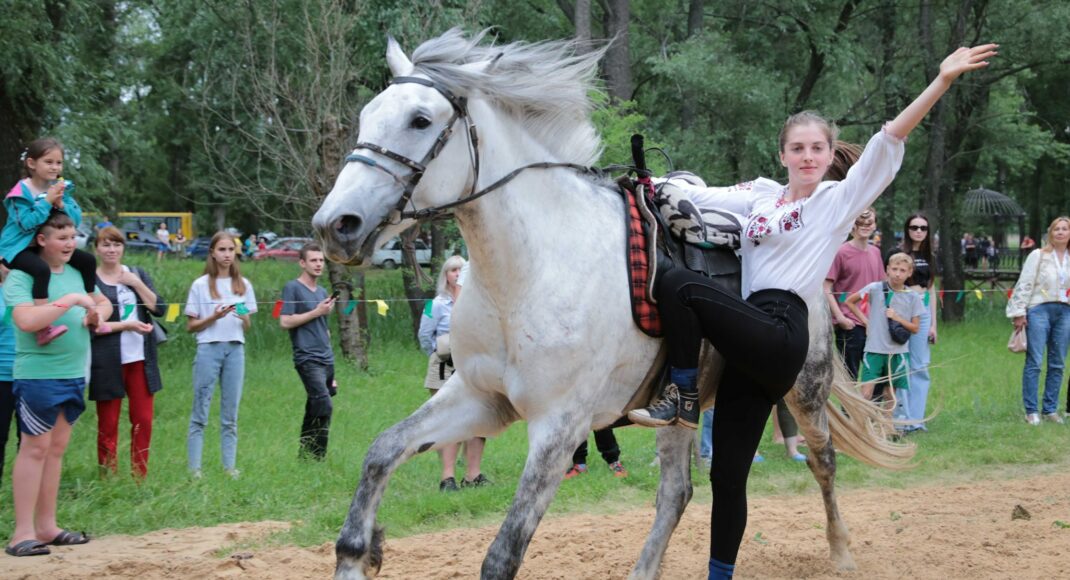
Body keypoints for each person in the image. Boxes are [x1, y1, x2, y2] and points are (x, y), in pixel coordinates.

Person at [628, 44, 997, 578]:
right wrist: (647, 185)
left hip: (783, 330)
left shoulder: (835, 202)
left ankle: (682, 394)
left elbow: (889, 138)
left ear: (828, 156)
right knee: (727, 477)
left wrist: (940, 81)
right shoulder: (758, 196)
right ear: (782, 155)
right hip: (747, 338)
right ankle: (720, 574)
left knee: (680, 285)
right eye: (797, 148)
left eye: (817, 148)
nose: (807, 156)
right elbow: (698, 195)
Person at [4, 211, 112, 556]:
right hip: (38, 375)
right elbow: (25, 319)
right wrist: (70, 301)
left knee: (55, 450)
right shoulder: (22, 276)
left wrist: (97, 313)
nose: (69, 244)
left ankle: (47, 527)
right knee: (34, 448)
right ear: (42, 240)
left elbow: (103, 301)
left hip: (73, 372)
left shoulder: (80, 270)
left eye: (72, 237)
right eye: (61, 238)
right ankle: (21, 534)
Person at [0, 138, 98, 346]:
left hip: (45, 245)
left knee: (88, 261)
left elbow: (75, 221)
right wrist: (46, 201)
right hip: (18, 248)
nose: (55, 167)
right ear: (32, 164)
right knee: (41, 270)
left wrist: (61, 205)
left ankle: (94, 309)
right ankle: (43, 328)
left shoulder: (61, 187)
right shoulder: (19, 193)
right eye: (49, 162)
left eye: (59, 162)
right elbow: (26, 224)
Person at [90, 227, 167, 479]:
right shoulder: (90, 280)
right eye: (106, 245)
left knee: (142, 419)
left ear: (123, 248)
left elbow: (159, 309)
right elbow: (92, 325)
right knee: (108, 422)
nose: (112, 250)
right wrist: (127, 325)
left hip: (141, 358)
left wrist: (135, 283)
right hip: (108, 360)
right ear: (97, 249)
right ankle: (108, 476)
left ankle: (139, 476)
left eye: (116, 245)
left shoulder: (137, 274)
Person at [184, 232, 257, 478]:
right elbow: (191, 325)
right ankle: (195, 468)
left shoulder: (242, 285)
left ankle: (229, 467)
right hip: (209, 348)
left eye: (230, 250)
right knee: (200, 411)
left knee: (230, 413)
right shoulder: (200, 285)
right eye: (222, 249)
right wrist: (214, 317)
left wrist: (242, 316)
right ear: (213, 253)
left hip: (235, 349)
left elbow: (247, 324)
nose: (227, 255)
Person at [419, 255, 488, 491]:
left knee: (478, 420)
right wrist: (440, 352)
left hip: (472, 364)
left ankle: (473, 474)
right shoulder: (434, 303)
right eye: (452, 270)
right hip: (444, 365)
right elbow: (423, 334)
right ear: (445, 275)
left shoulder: (478, 302)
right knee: (449, 419)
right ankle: (446, 477)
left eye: (460, 269)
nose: (457, 274)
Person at [1006, 216, 1070, 425]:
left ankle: (1050, 409)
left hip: (1065, 311)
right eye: (1056, 229)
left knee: (1058, 363)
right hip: (1039, 309)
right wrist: (1018, 312)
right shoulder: (1039, 255)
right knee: (1035, 361)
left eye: (1064, 229)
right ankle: (1031, 410)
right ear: (1050, 233)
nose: (1060, 232)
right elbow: (1025, 283)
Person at [846, 253, 924, 420]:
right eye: (894, 269)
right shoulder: (875, 288)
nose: (897, 273)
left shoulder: (913, 297)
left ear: (909, 273)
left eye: (902, 270)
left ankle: (887, 429)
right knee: (866, 392)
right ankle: (861, 427)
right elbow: (850, 301)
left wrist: (898, 319)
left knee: (890, 394)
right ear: (887, 269)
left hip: (898, 352)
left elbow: (915, 328)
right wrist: (866, 322)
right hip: (874, 349)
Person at [280, 243, 338, 459]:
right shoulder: (292, 288)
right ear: (302, 263)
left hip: (326, 358)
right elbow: (285, 321)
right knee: (324, 404)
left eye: (321, 260)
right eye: (313, 260)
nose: (318, 264)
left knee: (316, 404)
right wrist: (316, 311)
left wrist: (333, 371)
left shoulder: (322, 291)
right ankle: (318, 456)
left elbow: (325, 329)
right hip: (307, 357)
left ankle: (305, 454)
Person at [824, 208, 885, 378]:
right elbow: (826, 288)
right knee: (850, 376)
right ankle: (848, 407)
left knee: (876, 376)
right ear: (852, 224)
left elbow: (881, 288)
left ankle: (869, 406)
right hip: (850, 325)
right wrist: (841, 318)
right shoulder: (841, 252)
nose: (864, 226)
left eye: (869, 222)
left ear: (875, 225)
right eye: (859, 222)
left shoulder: (876, 252)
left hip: (873, 324)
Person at [894, 213, 938, 432]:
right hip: (903, 308)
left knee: (919, 365)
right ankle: (902, 417)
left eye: (923, 228)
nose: (919, 231)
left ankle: (917, 419)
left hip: (923, 310)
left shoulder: (929, 255)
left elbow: (931, 287)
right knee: (902, 364)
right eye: (914, 227)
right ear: (907, 229)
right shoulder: (898, 253)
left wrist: (933, 325)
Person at [0, 264, 19, 485]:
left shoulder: (37, 293)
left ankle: (24, 488)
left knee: (29, 439)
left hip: (30, 375)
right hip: (2, 376)